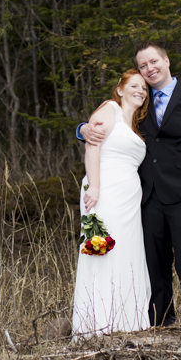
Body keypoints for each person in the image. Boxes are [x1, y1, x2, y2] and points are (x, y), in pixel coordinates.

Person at [77, 41, 181, 326]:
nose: (149, 69)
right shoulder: (138, 105)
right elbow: (107, 126)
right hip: (147, 197)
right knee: (154, 263)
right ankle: (161, 319)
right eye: (143, 66)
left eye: (153, 62)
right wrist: (82, 130)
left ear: (166, 61)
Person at [72, 69, 151, 337]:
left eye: (144, 88)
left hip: (129, 202)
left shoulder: (136, 126)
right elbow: (91, 144)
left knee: (127, 254)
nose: (140, 91)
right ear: (120, 89)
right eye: (135, 86)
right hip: (105, 193)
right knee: (104, 253)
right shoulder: (110, 109)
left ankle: (128, 323)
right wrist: (94, 186)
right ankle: (97, 325)